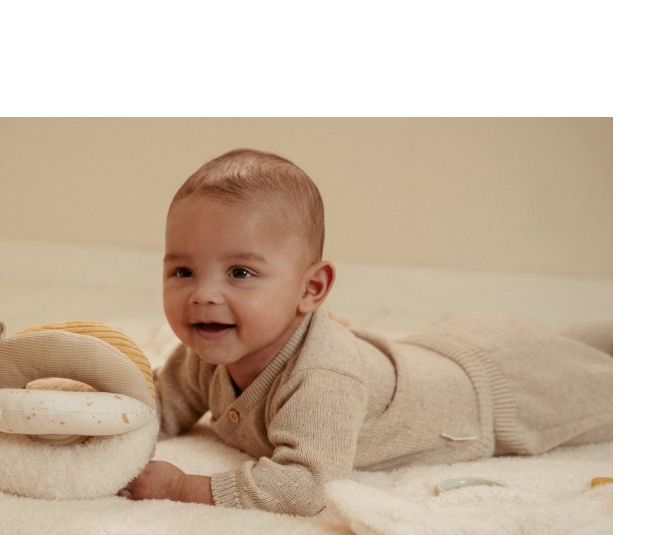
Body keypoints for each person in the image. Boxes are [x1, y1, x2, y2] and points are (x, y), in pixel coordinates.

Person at [120, 149, 612, 516]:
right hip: (434, 352)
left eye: (240, 273)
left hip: (498, 392)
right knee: (577, 346)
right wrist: (103, 414)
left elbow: (306, 486)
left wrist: (185, 488)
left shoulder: (322, 378)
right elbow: (160, 404)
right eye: (183, 272)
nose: (203, 295)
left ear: (311, 288)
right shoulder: (208, 349)